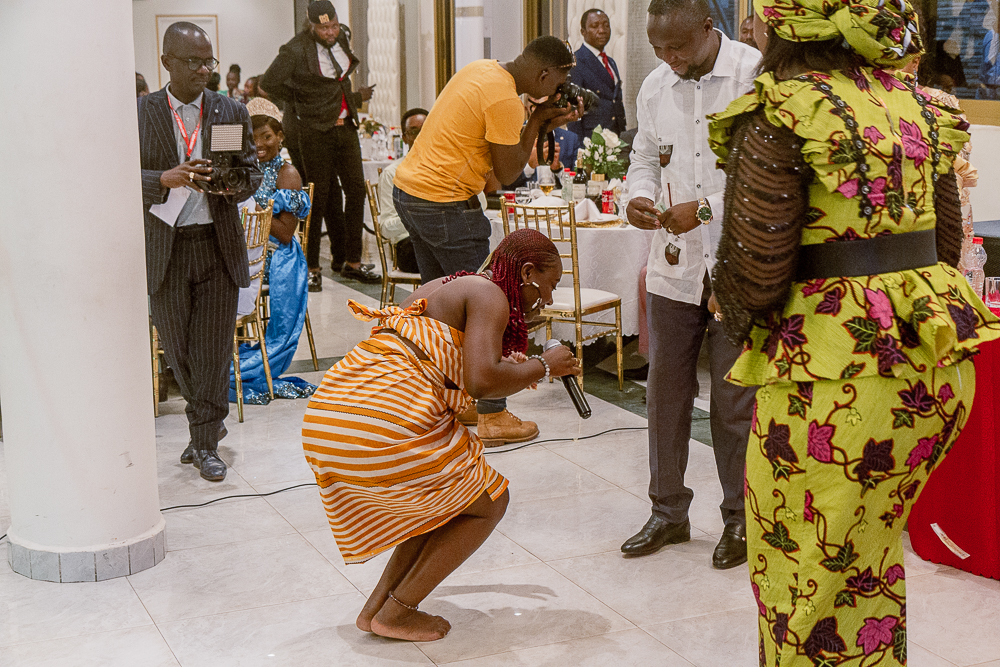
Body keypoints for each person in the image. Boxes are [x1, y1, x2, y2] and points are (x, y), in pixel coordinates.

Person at [707, 0, 1000, 662]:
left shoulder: (785, 107)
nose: (751, 23)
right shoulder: (920, 107)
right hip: (933, 375)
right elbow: (946, 240)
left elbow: (757, 268)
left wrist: (732, 312)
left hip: (839, 389)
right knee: (865, 559)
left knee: (802, 575)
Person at [302, 229, 581, 642]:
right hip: (378, 425)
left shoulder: (449, 286)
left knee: (445, 503)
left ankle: (377, 610)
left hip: (334, 413)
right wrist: (544, 365)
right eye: (551, 285)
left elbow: (447, 372)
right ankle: (398, 612)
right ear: (526, 272)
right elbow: (483, 383)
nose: (550, 300)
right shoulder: (491, 297)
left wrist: (512, 369)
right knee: (490, 500)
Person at [622, 0, 760, 569]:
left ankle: (740, 520)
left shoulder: (753, 76)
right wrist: (640, 194)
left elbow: (765, 178)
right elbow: (645, 158)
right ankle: (667, 511)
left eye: (678, 47)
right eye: (659, 49)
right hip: (673, 265)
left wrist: (703, 209)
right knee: (666, 392)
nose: (669, 59)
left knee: (733, 400)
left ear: (711, 27)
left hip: (739, 264)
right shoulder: (657, 85)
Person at [392, 35, 582, 446]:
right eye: (558, 81)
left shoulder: (482, 69)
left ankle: (459, 399)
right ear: (544, 73)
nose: (556, 91)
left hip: (411, 193)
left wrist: (537, 118)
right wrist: (538, 121)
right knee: (491, 301)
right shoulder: (504, 99)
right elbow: (510, 173)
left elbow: (494, 175)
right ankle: (493, 414)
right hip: (444, 202)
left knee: (444, 308)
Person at [138, 22, 262, 481]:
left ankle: (206, 440)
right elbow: (115, 177)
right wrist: (162, 180)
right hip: (165, 250)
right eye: (193, 62)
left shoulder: (230, 110)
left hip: (216, 246)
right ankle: (204, 423)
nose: (204, 70)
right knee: (179, 351)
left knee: (212, 352)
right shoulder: (140, 113)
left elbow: (251, 172)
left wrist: (230, 183)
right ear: (167, 61)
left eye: (208, 61)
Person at [262, 1, 379, 292]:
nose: (330, 32)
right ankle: (311, 265)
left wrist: (353, 98)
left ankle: (352, 262)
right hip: (314, 130)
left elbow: (337, 83)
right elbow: (268, 82)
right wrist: (299, 95)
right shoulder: (295, 48)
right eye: (324, 27)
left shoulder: (341, 38)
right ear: (311, 26)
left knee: (355, 190)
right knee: (318, 195)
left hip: (345, 126)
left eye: (334, 26)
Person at [230, 98, 316, 405]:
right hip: (244, 248)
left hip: (275, 254)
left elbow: (284, 232)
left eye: (267, 136)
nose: (260, 144)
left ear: (279, 136)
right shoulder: (241, 169)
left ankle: (225, 359)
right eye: (252, 139)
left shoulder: (287, 173)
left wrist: (249, 211)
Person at [377, 107, 428, 275]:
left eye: (426, 130)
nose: (421, 136)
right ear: (405, 138)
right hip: (408, 244)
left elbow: (481, 203)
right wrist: (419, 214)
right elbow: (385, 228)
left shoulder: (448, 166)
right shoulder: (393, 173)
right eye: (414, 132)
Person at [566, 9, 627, 144]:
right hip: (592, 142)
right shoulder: (576, 62)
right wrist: (579, 151)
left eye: (606, 25)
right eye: (595, 26)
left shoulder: (611, 62)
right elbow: (574, 111)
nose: (602, 30)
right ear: (583, 32)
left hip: (616, 140)